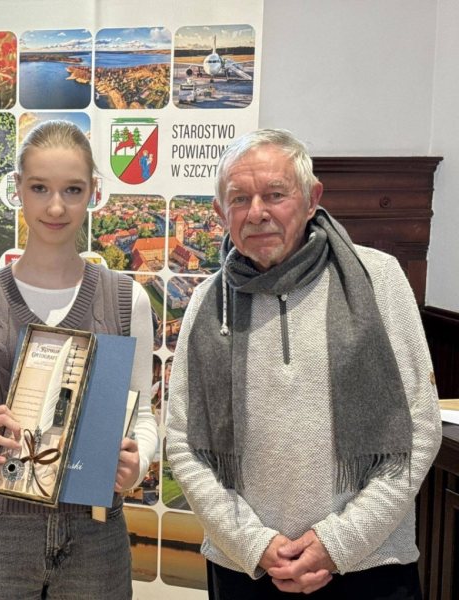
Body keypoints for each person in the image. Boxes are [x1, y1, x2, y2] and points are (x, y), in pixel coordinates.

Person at [166, 128, 442, 599]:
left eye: (275, 194)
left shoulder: (379, 279)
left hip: (369, 566)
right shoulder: (208, 303)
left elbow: (419, 429)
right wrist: (255, 545)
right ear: (220, 211)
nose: (257, 212)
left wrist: (338, 544)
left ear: (312, 199)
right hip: (246, 569)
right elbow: (182, 441)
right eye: (240, 199)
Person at [0, 120, 158, 599]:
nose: (55, 207)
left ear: (93, 193)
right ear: (18, 191)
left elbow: (144, 417)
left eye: (72, 190)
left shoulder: (126, 299)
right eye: (39, 188)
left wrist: (138, 462)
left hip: (95, 532)